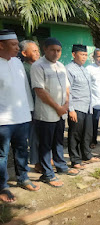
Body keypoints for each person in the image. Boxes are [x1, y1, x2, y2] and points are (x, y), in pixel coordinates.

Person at [31, 38, 80, 188]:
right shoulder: (38, 66)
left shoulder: (60, 66)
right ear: (44, 49)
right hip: (46, 114)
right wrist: (57, 107)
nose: (56, 53)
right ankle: (48, 174)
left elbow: (66, 87)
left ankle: (61, 166)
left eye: (58, 50)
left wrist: (65, 105)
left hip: (61, 112)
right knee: (45, 145)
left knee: (58, 141)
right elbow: (40, 91)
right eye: (52, 50)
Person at [0, 29, 39, 203]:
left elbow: (25, 89)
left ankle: (23, 178)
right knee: (2, 155)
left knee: (22, 150)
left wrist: (29, 111)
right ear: (1, 45)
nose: (18, 47)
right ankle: (2, 186)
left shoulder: (17, 63)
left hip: (22, 117)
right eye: (14, 44)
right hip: (3, 120)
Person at [66, 44, 100, 170]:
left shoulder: (84, 69)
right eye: (82, 54)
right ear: (74, 54)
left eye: (86, 55)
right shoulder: (69, 69)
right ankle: (75, 160)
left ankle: (87, 155)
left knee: (87, 134)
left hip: (88, 107)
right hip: (77, 108)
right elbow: (67, 91)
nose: (84, 57)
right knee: (75, 135)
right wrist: (71, 109)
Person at [19, 40, 42, 173]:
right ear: (24, 53)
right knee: (34, 136)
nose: (37, 53)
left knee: (43, 135)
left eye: (38, 50)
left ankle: (45, 158)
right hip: (30, 107)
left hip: (42, 106)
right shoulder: (23, 68)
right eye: (34, 51)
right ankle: (36, 162)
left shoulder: (40, 66)